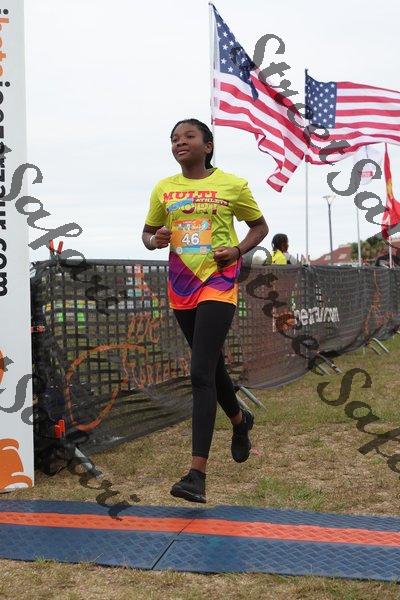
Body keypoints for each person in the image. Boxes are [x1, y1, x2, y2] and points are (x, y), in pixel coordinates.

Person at [142, 118, 268, 503]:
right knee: (211, 366)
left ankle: (196, 475)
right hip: (181, 283)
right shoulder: (164, 189)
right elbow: (147, 235)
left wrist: (237, 250)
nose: (180, 142)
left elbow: (259, 227)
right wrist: (156, 238)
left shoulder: (233, 185)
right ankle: (240, 421)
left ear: (207, 145)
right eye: (174, 139)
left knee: (199, 371)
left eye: (189, 136)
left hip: (218, 279)